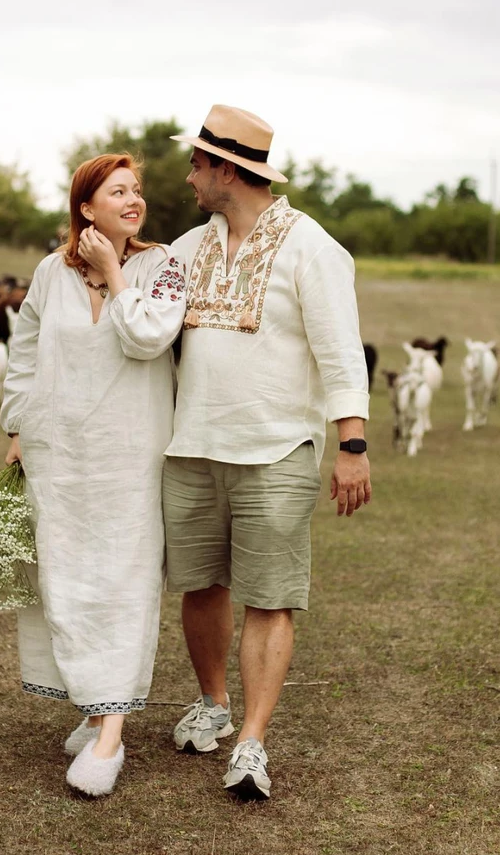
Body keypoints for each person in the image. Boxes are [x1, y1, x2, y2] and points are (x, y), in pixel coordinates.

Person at [163, 104, 372, 801]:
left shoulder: (313, 248)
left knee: (270, 596)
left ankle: (251, 742)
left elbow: (340, 353)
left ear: (226, 170)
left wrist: (352, 444)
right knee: (200, 585)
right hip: (192, 446)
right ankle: (213, 704)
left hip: (277, 448)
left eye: (196, 164)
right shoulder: (185, 250)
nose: (189, 176)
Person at [0, 154, 186, 798]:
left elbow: (148, 338)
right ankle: (95, 705)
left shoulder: (162, 267)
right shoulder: (50, 272)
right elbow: (25, 351)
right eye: (118, 191)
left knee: (124, 578)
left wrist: (114, 271)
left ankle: (111, 734)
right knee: (66, 575)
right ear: (86, 207)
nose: (135, 201)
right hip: (59, 453)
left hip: (130, 454)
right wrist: (17, 426)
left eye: (138, 190)